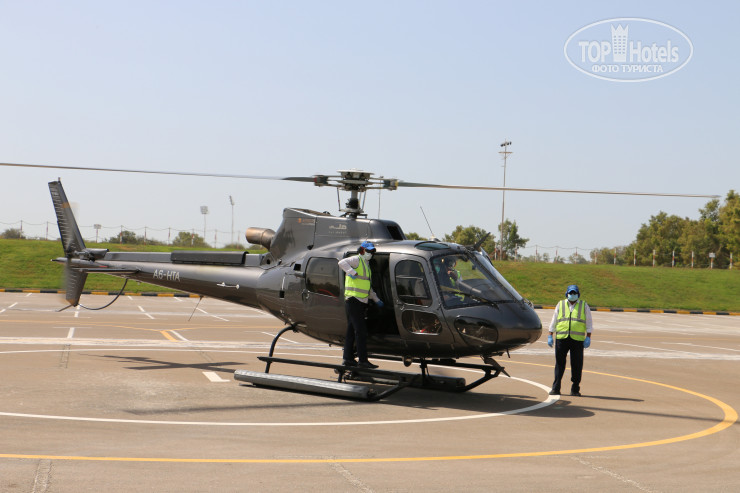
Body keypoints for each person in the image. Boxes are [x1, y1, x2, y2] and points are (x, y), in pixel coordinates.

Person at [338, 241, 384, 369]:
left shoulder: (366, 265)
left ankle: (347, 359)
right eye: (369, 251)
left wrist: (376, 300)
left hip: (361, 301)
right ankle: (362, 360)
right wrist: (352, 272)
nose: (371, 254)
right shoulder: (357, 260)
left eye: (372, 252)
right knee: (361, 331)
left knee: (351, 331)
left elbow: (367, 286)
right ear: (362, 250)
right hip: (354, 300)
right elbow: (341, 263)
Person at [547, 284, 593, 396]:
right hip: (561, 339)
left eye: (574, 293)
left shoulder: (584, 305)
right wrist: (550, 334)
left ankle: (575, 388)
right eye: (571, 293)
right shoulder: (561, 304)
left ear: (578, 294)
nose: (572, 295)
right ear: (567, 294)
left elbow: (589, 322)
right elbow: (554, 319)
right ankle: (556, 388)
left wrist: (588, 336)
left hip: (577, 340)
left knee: (577, 364)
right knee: (559, 364)